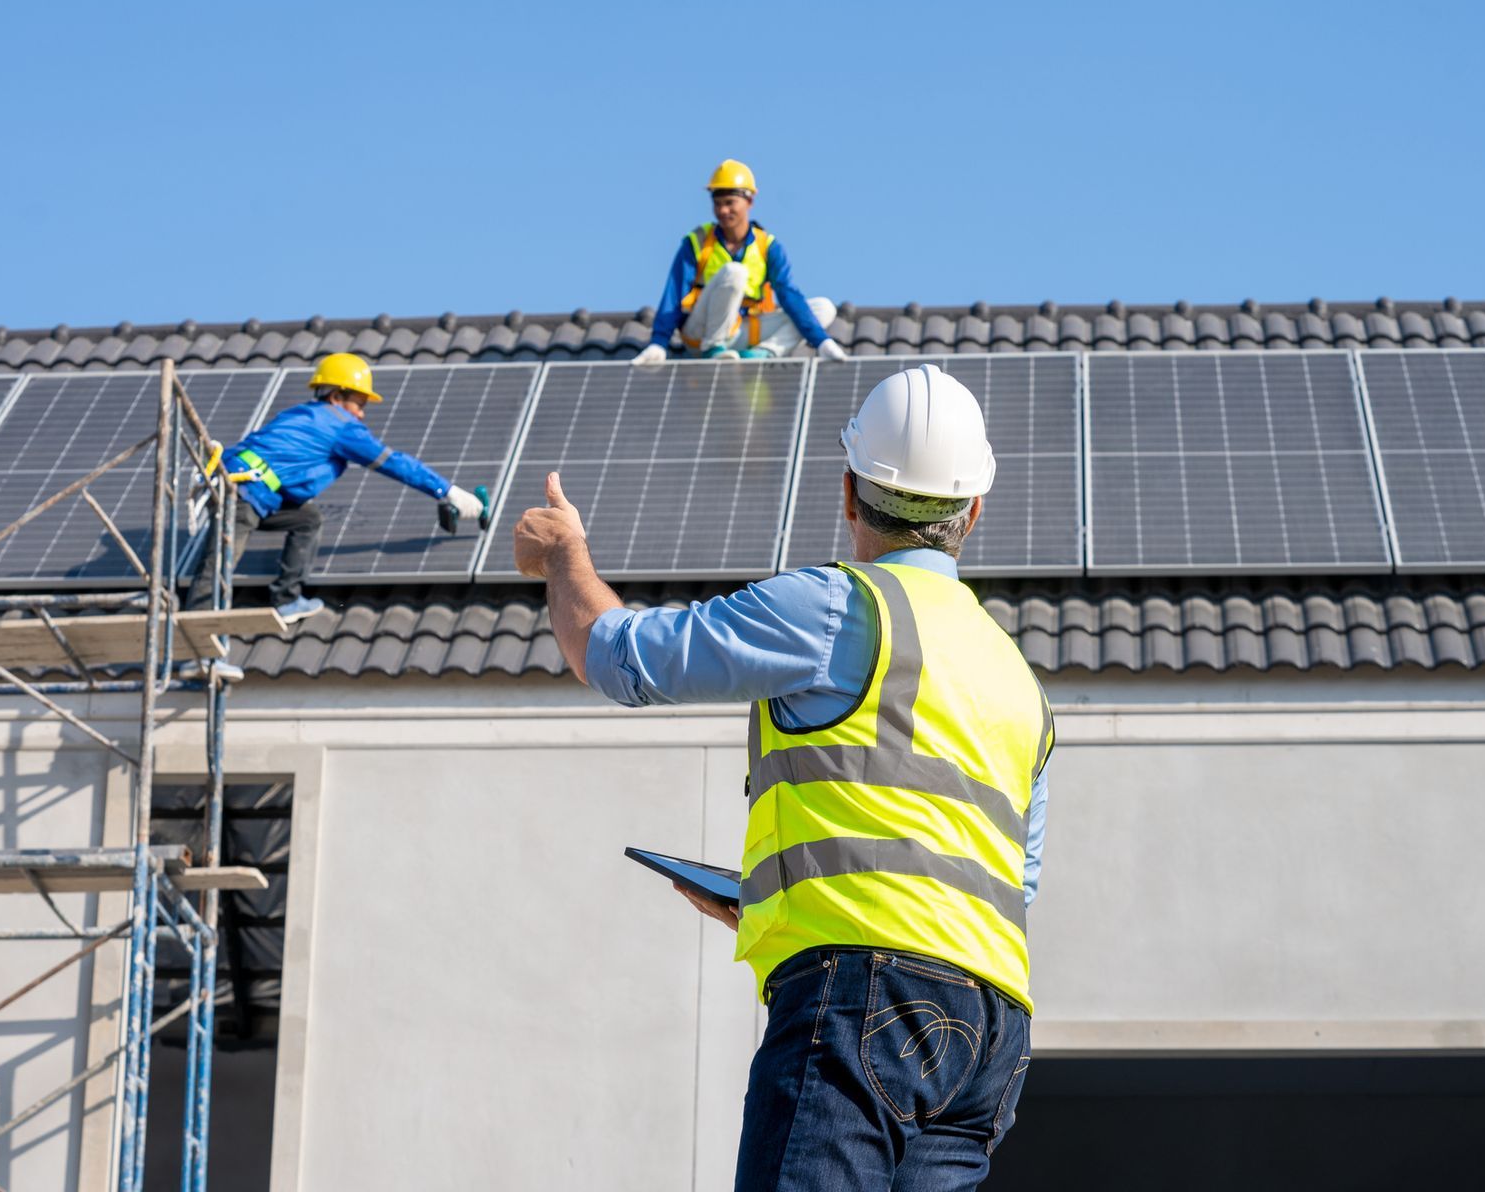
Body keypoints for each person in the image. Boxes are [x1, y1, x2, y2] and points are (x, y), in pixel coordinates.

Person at [512, 365, 1053, 1190]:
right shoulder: (1020, 680)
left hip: (861, 994)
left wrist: (563, 558)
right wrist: (777, 900)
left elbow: (617, 656)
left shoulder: (836, 608)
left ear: (848, 492)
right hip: (989, 1036)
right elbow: (1005, 881)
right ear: (973, 509)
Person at [185, 352, 485, 621]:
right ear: (337, 396)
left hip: (245, 487)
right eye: (359, 403)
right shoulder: (340, 425)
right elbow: (394, 463)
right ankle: (193, 641)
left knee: (308, 518)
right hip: (243, 493)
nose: (362, 413)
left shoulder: (302, 414)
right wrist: (447, 491)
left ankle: (287, 600)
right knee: (218, 568)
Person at [631, 159, 849, 365]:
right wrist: (659, 343)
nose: (723, 211)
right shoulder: (697, 242)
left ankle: (764, 353)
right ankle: (714, 349)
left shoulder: (768, 247)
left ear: (749, 201)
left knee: (823, 308)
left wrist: (822, 341)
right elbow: (674, 294)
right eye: (717, 204)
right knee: (735, 272)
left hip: (745, 331)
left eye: (729, 203)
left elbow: (789, 295)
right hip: (702, 333)